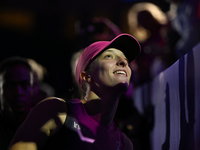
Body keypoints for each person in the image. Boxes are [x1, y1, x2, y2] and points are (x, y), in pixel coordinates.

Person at [8, 33, 141, 150]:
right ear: (86, 76)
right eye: (108, 56)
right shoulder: (55, 111)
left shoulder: (125, 144)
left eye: (126, 60)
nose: (123, 62)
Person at [0, 56, 34, 150]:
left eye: (24, 84)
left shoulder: (46, 126)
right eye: (11, 85)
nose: (18, 92)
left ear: (32, 88)